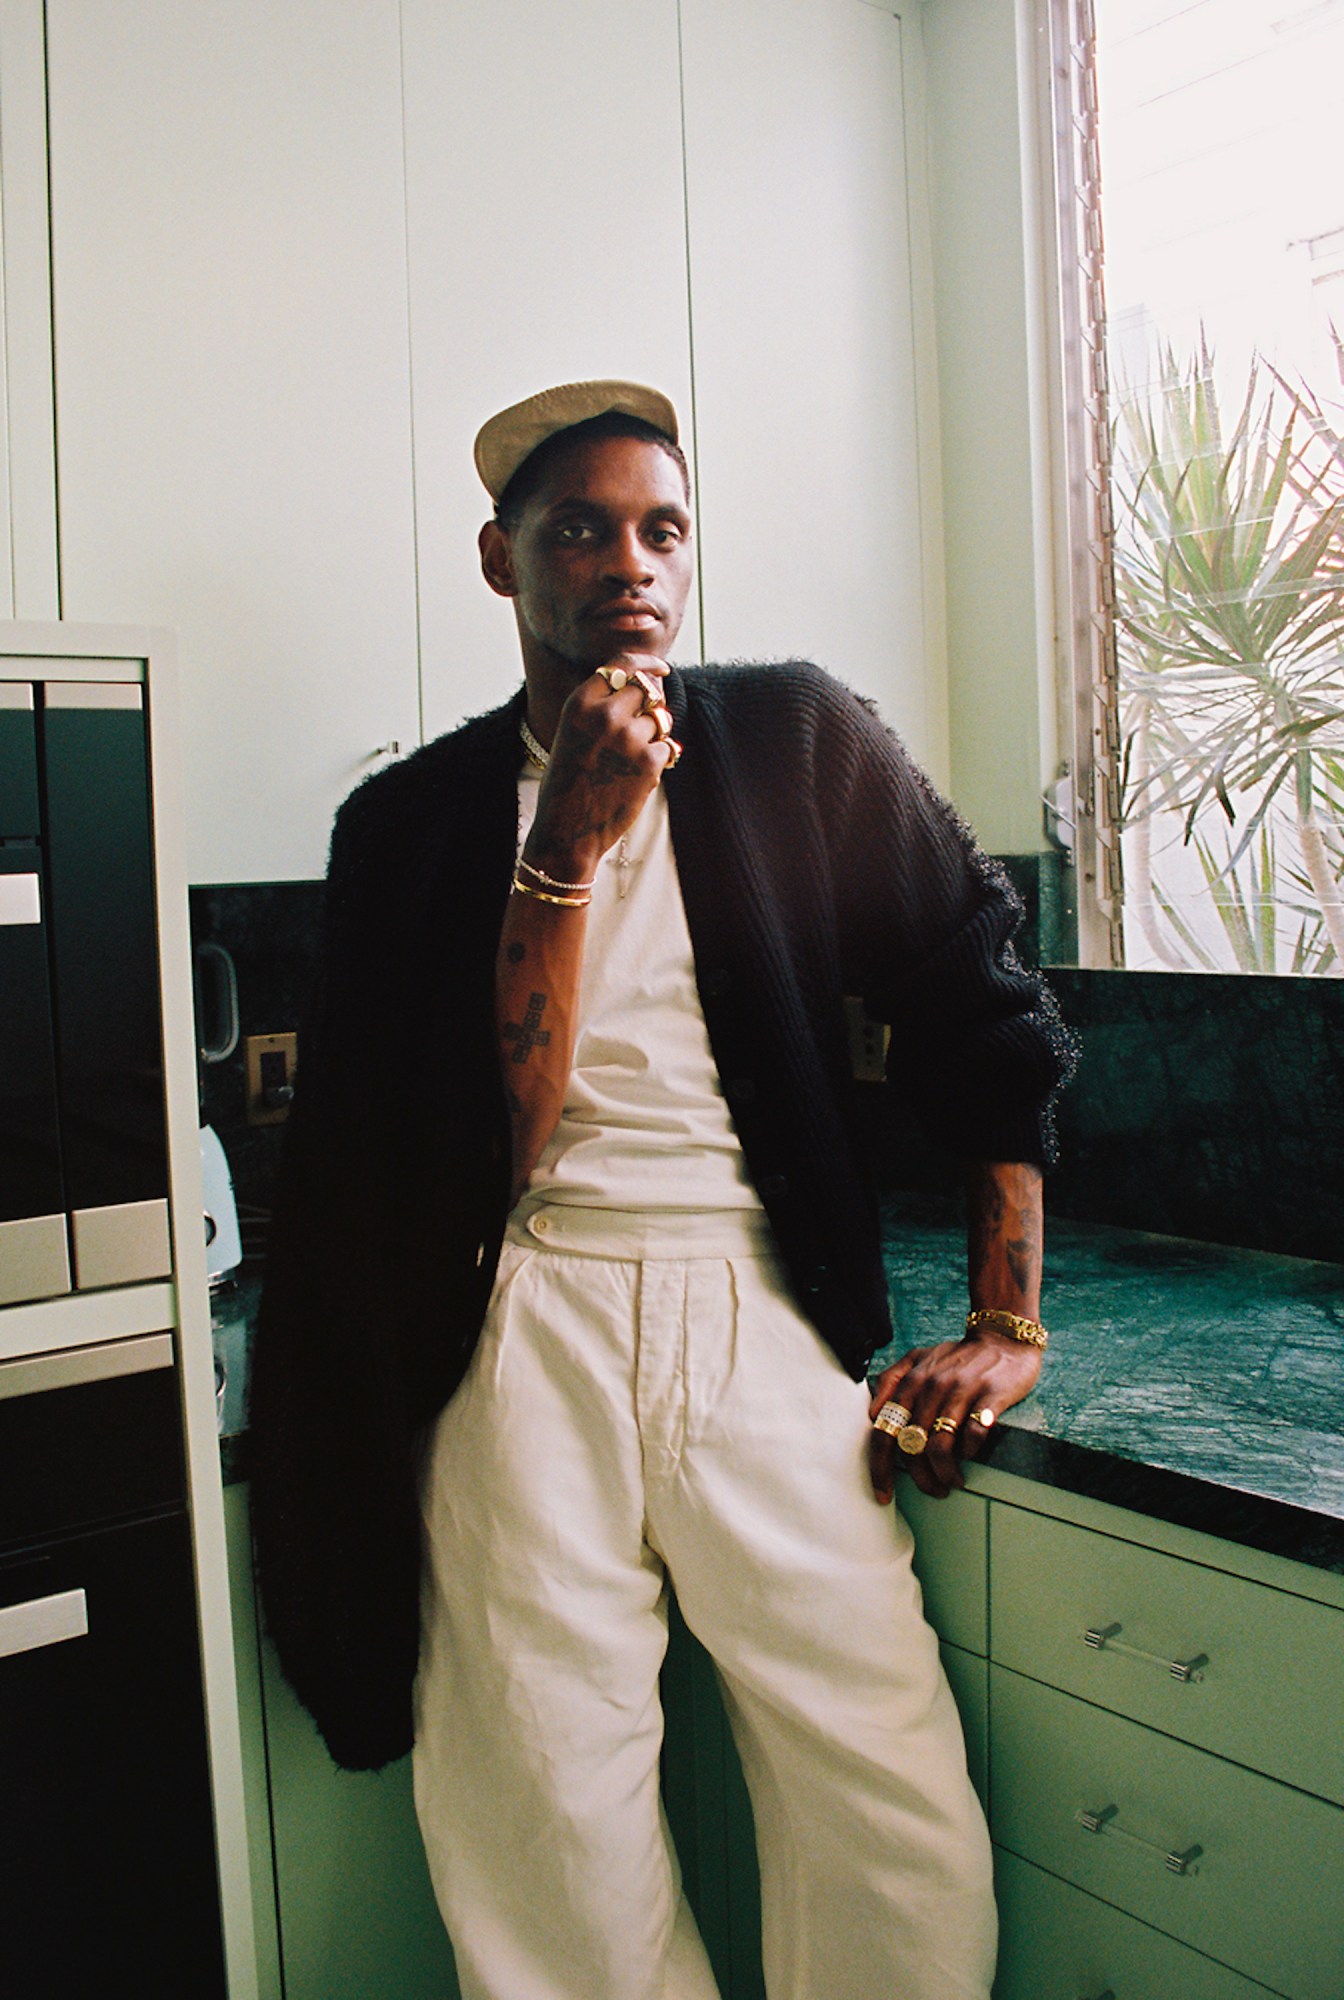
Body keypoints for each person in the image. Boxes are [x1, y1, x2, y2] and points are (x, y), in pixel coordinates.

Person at [249, 379, 1074, 2000]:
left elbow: (987, 1011)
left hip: (759, 1304)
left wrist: (1004, 1319)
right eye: (580, 529)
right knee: (541, 1815)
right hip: (518, 1317)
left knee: (886, 1793)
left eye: (662, 528)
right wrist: (563, 841)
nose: (630, 561)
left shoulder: (795, 741)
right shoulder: (408, 826)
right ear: (502, 563)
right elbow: (462, 1144)